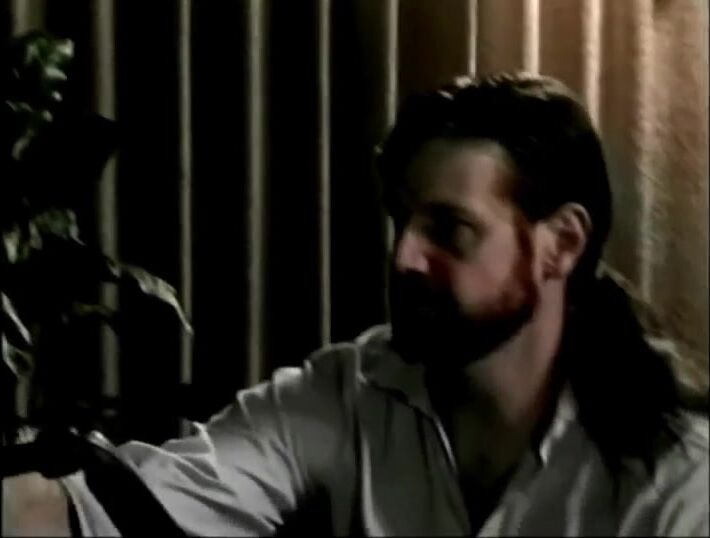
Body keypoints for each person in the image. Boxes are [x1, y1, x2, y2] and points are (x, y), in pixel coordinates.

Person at [55, 73, 709, 535]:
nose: (404, 258)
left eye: (449, 229)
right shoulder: (350, 393)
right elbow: (114, 510)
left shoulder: (678, 476)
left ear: (560, 244)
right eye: (402, 221)